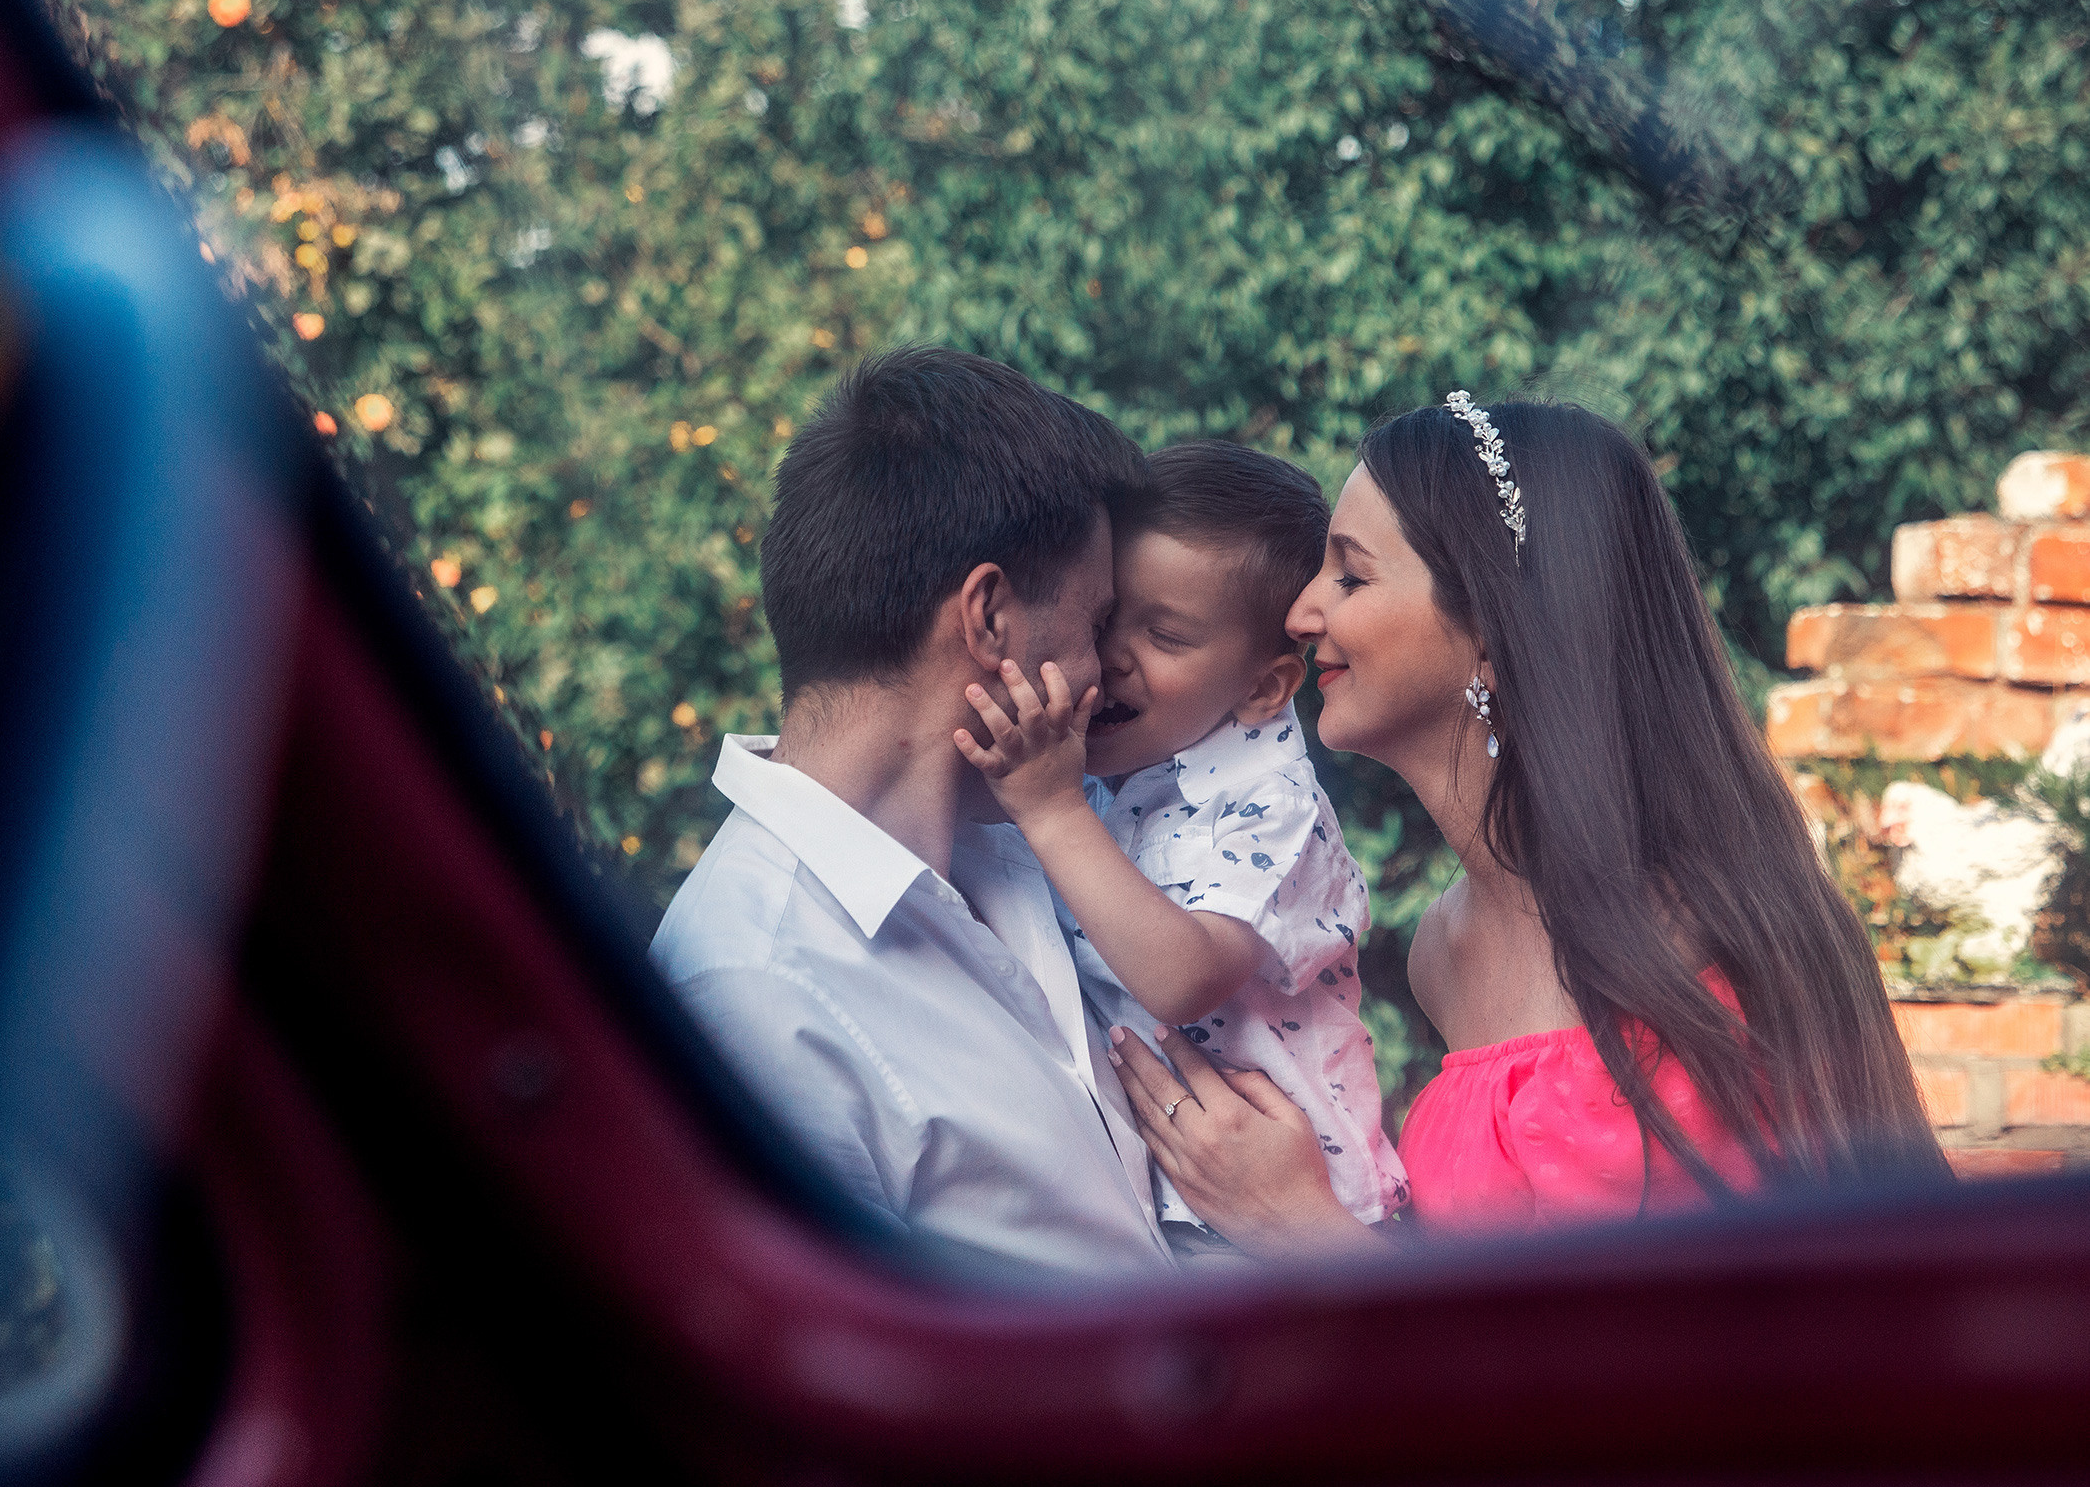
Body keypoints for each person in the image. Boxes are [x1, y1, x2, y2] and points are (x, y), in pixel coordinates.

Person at [1108, 394, 1951, 1254]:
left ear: (1490, 635)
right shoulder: (1444, 949)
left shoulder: (1682, 950)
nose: (1299, 613)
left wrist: (1299, 1224)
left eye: (1351, 576)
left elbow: (1645, 1356)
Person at [651, 346, 1176, 1278]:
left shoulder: (1045, 843)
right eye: (1097, 626)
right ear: (989, 620)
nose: (1105, 675)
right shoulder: (754, 995)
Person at [952, 442, 1406, 1260]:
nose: (1111, 655)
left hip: (1275, 1221)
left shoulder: (1273, 807)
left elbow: (1181, 976)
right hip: (1162, 1200)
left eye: (1164, 634)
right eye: (1102, 618)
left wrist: (1050, 811)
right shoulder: (1107, 776)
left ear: (1263, 688)